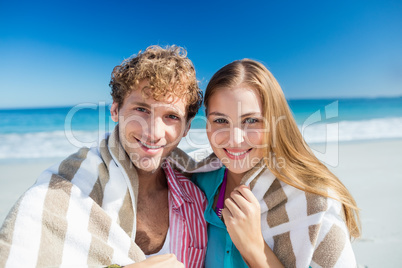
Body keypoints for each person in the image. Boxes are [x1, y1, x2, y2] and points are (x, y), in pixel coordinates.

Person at [0, 45, 207, 268]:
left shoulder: (196, 199)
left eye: (171, 116)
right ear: (115, 110)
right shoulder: (65, 188)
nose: (153, 133)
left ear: (186, 128)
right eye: (142, 109)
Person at [185, 59, 361, 267]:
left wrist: (255, 248)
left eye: (251, 121)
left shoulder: (314, 201)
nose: (235, 139)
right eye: (221, 121)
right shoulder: (195, 184)